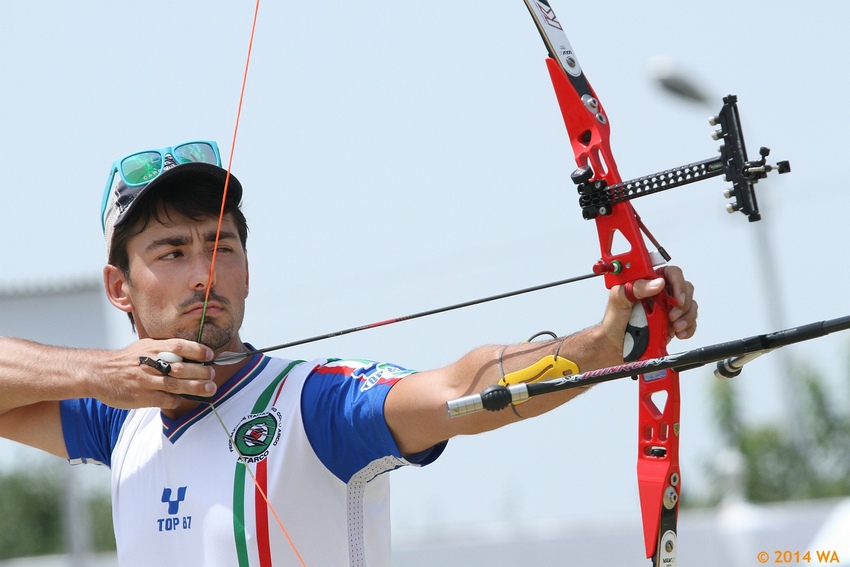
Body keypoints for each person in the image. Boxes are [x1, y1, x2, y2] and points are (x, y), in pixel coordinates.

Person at [0, 140, 698, 566]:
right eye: (173, 251)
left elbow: (456, 390)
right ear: (120, 286)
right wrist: (104, 374)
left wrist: (606, 344)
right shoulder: (118, 419)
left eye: (223, 246)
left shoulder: (314, 405)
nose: (203, 271)